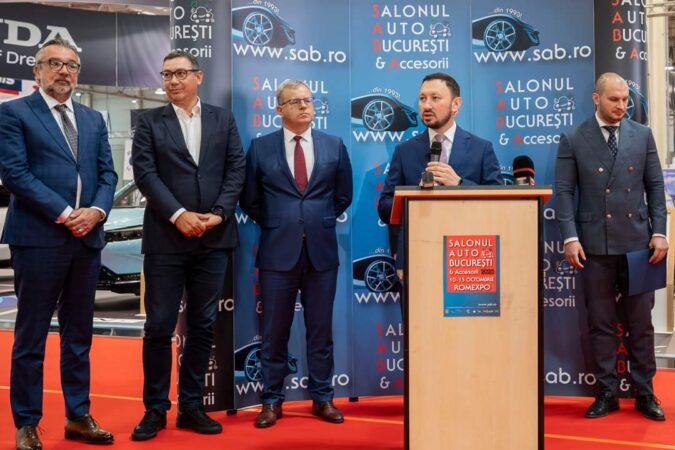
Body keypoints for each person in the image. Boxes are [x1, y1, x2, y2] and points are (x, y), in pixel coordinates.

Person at [0, 37, 117, 450]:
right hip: (39, 239)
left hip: (86, 239)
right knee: (31, 337)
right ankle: (27, 423)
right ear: (38, 70)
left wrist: (96, 212)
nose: (64, 71)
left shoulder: (93, 118)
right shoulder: (14, 113)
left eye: (71, 65)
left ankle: (78, 416)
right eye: (54, 63)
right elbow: (15, 173)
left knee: (79, 335)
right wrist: (67, 214)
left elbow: (108, 174)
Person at [130, 50, 245, 440]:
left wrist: (219, 213)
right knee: (159, 326)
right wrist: (178, 215)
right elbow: (145, 173)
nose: (173, 80)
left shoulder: (222, 118)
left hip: (214, 237)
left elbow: (236, 168)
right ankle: (155, 409)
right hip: (166, 240)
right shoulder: (150, 121)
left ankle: (191, 406)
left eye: (180, 73)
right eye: (167, 74)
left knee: (202, 325)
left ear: (199, 76)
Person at [555, 72, 668, 421]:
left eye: (625, 100)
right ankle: (606, 392)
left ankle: (645, 392)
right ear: (596, 98)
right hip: (593, 244)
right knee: (601, 323)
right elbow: (564, 192)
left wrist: (660, 232)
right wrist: (570, 237)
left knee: (641, 324)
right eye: (614, 99)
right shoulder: (574, 138)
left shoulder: (642, 135)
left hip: (638, 245)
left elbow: (655, 187)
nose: (621, 106)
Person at [240, 79, 353, 428]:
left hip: (321, 253)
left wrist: (318, 219)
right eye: (296, 101)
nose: (305, 106)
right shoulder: (260, 148)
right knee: (274, 332)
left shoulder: (334, 145)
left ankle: (323, 397)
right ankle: (271, 401)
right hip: (277, 253)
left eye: (308, 100)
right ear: (279, 109)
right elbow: (249, 199)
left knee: (321, 331)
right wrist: (278, 222)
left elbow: (343, 195)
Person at [378, 72, 503, 269]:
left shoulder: (481, 149)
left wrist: (459, 185)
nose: (426, 106)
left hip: (468, 256)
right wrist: (414, 195)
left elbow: (500, 204)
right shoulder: (404, 151)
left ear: (456, 104)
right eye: (422, 99)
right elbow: (385, 208)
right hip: (418, 256)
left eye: (435, 98)